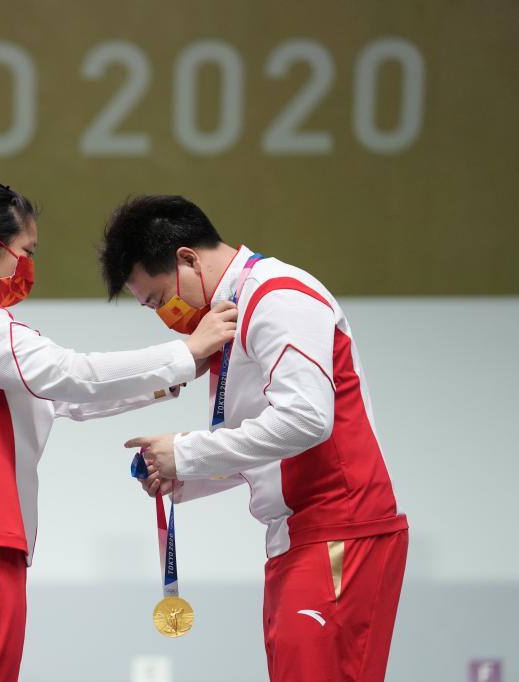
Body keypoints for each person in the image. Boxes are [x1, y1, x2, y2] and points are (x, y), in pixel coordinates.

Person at [0, 180, 236, 682]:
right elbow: (70, 373)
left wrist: (171, 380)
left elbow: (60, 398)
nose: (26, 268)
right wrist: (184, 355)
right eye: (24, 252)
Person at [99, 195, 408, 682]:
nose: (167, 315)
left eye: (161, 299)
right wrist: (182, 476)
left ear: (187, 259)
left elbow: (306, 419)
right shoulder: (232, 315)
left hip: (339, 529)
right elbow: (268, 446)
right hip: (300, 536)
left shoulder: (280, 296)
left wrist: (185, 452)